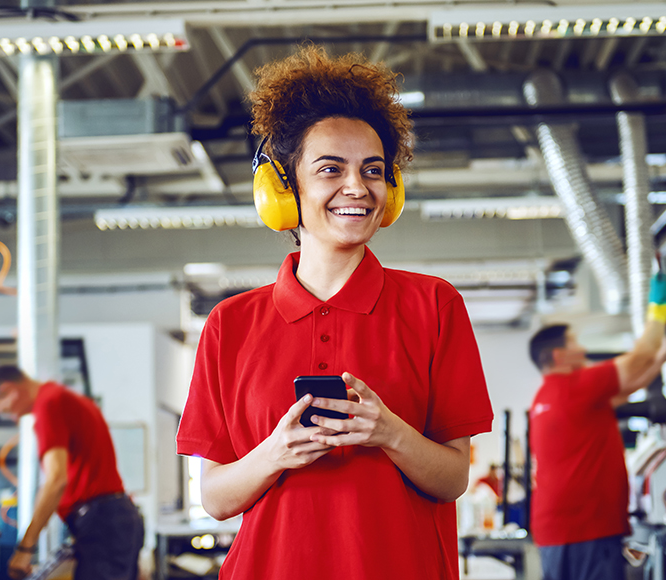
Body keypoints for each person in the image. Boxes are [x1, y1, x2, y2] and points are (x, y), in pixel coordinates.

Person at [176, 45, 494, 580]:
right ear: (284, 187)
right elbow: (216, 497)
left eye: (373, 170)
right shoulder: (230, 324)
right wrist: (275, 452)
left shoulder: (435, 305)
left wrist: (389, 432)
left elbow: (453, 477)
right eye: (330, 169)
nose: (357, 187)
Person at [527, 273, 666, 580]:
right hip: (588, 528)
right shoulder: (574, 386)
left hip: (557, 531)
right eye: (574, 342)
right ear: (559, 355)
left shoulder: (547, 396)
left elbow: (630, 385)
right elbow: (639, 356)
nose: (582, 349)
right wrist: (658, 309)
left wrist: (664, 357)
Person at [0, 365, 144, 580]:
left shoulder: (48, 404)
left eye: (3, 410)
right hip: (111, 520)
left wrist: (25, 549)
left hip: (102, 523)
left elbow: (56, 479)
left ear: (9, 389)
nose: (11, 417)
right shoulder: (62, 397)